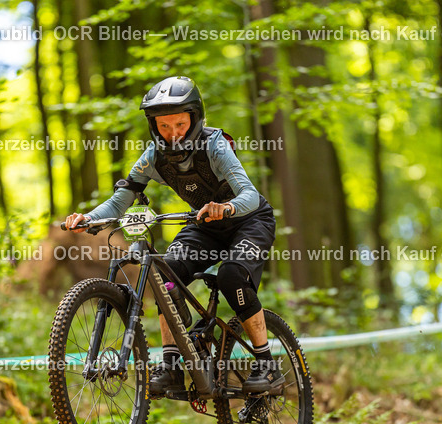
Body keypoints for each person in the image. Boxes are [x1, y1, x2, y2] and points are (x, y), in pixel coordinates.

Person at [63, 76, 283, 396]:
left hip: (249, 221)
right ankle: (171, 366)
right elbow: (119, 201)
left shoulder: (215, 146)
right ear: (154, 126)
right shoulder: (153, 156)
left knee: (232, 275)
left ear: (194, 118)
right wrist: (88, 219)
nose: (174, 133)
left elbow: (249, 195)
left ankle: (266, 363)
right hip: (204, 224)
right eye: (164, 126)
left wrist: (227, 208)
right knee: (165, 275)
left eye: (179, 123)